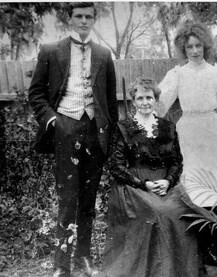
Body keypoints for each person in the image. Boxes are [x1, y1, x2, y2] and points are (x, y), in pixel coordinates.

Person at [28, 3, 118, 277]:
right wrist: (53, 120)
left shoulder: (104, 54)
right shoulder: (51, 50)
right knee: (67, 199)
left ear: (93, 20)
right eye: (78, 16)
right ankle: (60, 264)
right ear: (70, 19)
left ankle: (82, 259)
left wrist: (109, 137)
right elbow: (36, 94)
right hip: (65, 129)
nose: (83, 21)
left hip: (94, 131)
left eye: (88, 17)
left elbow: (111, 103)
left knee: (88, 201)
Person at [99, 78, 205, 277]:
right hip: (135, 186)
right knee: (157, 211)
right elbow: (116, 165)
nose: (145, 102)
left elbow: (176, 161)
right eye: (140, 98)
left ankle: (177, 271)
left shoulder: (167, 127)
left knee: (181, 211)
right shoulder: (123, 127)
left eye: (149, 97)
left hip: (165, 184)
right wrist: (143, 184)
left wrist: (168, 181)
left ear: (156, 99)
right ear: (133, 102)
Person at [157, 21, 217, 209]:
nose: (194, 51)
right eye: (189, 47)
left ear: (205, 46)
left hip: (215, 129)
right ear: (183, 49)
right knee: (195, 180)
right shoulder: (178, 74)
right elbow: (160, 105)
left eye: (198, 46)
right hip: (189, 132)